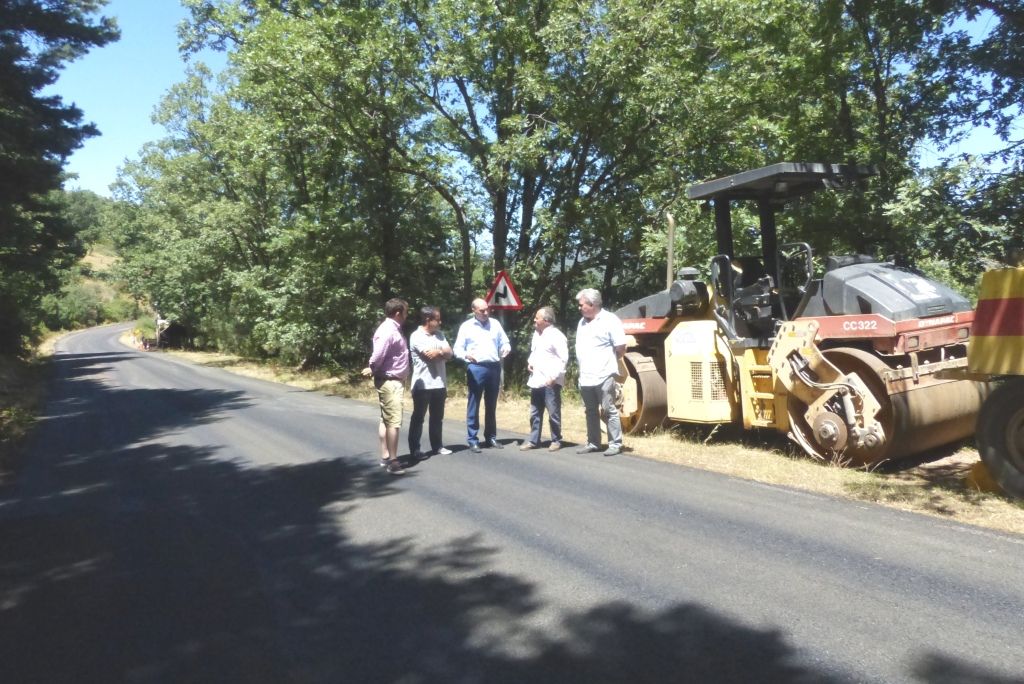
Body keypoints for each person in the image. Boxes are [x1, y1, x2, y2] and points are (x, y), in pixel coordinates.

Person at [453, 298, 512, 453]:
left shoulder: (495, 324)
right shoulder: (466, 327)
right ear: (474, 311)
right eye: (482, 310)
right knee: (474, 403)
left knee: (491, 404)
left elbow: (505, 341)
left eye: (487, 309)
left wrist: (506, 348)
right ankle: (472, 439)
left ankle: (491, 437)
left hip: (493, 367)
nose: (486, 313)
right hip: (476, 367)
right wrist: (466, 355)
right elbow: (457, 349)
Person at [574, 288, 627, 456]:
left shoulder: (610, 320)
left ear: (592, 304)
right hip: (586, 376)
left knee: (608, 408)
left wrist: (608, 362)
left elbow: (621, 347)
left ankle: (615, 444)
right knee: (590, 411)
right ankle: (593, 442)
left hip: (604, 373)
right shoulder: (581, 322)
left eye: (581, 305)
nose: (579, 308)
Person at [362, 298, 410, 475]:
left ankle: (385, 456)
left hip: (392, 380)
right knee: (394, 421)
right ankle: (393, 461)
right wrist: (373, 368)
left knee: (386, 419)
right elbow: (378, 355)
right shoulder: (388, 330)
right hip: (390, 382)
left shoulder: (393, 329)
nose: (407, 315)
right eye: (405, 312)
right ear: (398, 313)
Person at [408, 305, 453, 460]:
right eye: (437, 319)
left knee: (437, 417)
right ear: (428, 320)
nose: (440, 322)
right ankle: (415, 449)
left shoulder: (440, 334)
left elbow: (450, 353)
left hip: (440, 383)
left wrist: (440, 352)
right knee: (418, 417)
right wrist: (443, 353)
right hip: (422, 385)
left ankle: (437, 446)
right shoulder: (416, 336)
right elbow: (429, 357)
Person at [521, 306, 568, 452]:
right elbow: (534, 352)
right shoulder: (537, 334)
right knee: (535, 412)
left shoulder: (557, 336)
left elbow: (563, 359)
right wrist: (530, 362)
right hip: (537, 379)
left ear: (546, 320)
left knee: (553, 412)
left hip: (550, 381)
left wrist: (554, 377)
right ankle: (534, 440)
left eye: (537, 318)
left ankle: (556, 439)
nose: (534, 320)